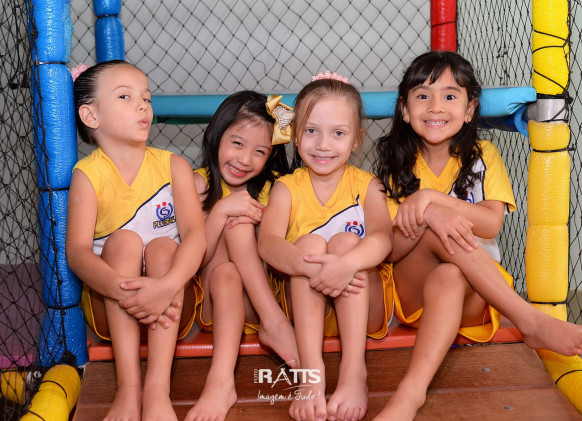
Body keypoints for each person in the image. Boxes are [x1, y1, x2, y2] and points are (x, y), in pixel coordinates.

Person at [372, 51, 582, 421]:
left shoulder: (482, 155)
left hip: (474, 296)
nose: (436, 106)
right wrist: (429, 215)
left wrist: (431, 200)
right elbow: (390, 249)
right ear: (404, 109)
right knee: (433, 226)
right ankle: (530, 321)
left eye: (450, 96)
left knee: (450, 272)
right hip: (411, 295)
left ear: (470, 110)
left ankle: (410, 394)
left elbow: (490, 224)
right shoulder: (395, 162)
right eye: (422, 95)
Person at [66, 60, 206, 421]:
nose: (143, 105)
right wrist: (124, 290)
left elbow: (196, 235)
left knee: (163, 247)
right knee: (124, 242)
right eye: (125, 97)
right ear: (91, 115)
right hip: (112, 309)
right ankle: (128, 388)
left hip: (173, 306)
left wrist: (166, 286)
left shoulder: (174, 166)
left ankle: (157, 389)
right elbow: (77, 253)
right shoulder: (88, 174)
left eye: (146, 98)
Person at [258, 72, 394, 421]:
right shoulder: (286, 188)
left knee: (347, 242)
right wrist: (310, 265)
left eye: (338, 133)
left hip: (363, 309)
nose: (322, 144)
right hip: (304, 313)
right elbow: (268, 243)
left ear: (356, 140)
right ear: (294, 134)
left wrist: (345, 265)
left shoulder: (369, 186)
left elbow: (383, 238)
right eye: (311, 131)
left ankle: (353, 371)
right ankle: (310, 373)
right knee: (310, 243)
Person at [184, 91, 299, 421]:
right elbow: (191, 261)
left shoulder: (276, 188)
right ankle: (220, 382)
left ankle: (273, 322)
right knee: (226, 267)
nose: (246, 159)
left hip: (262, 300)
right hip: (213, 303)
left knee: (241, 223)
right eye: (237, 143)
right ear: (215, 135)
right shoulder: (196, 185)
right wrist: (220, 210)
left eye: (260, 151)